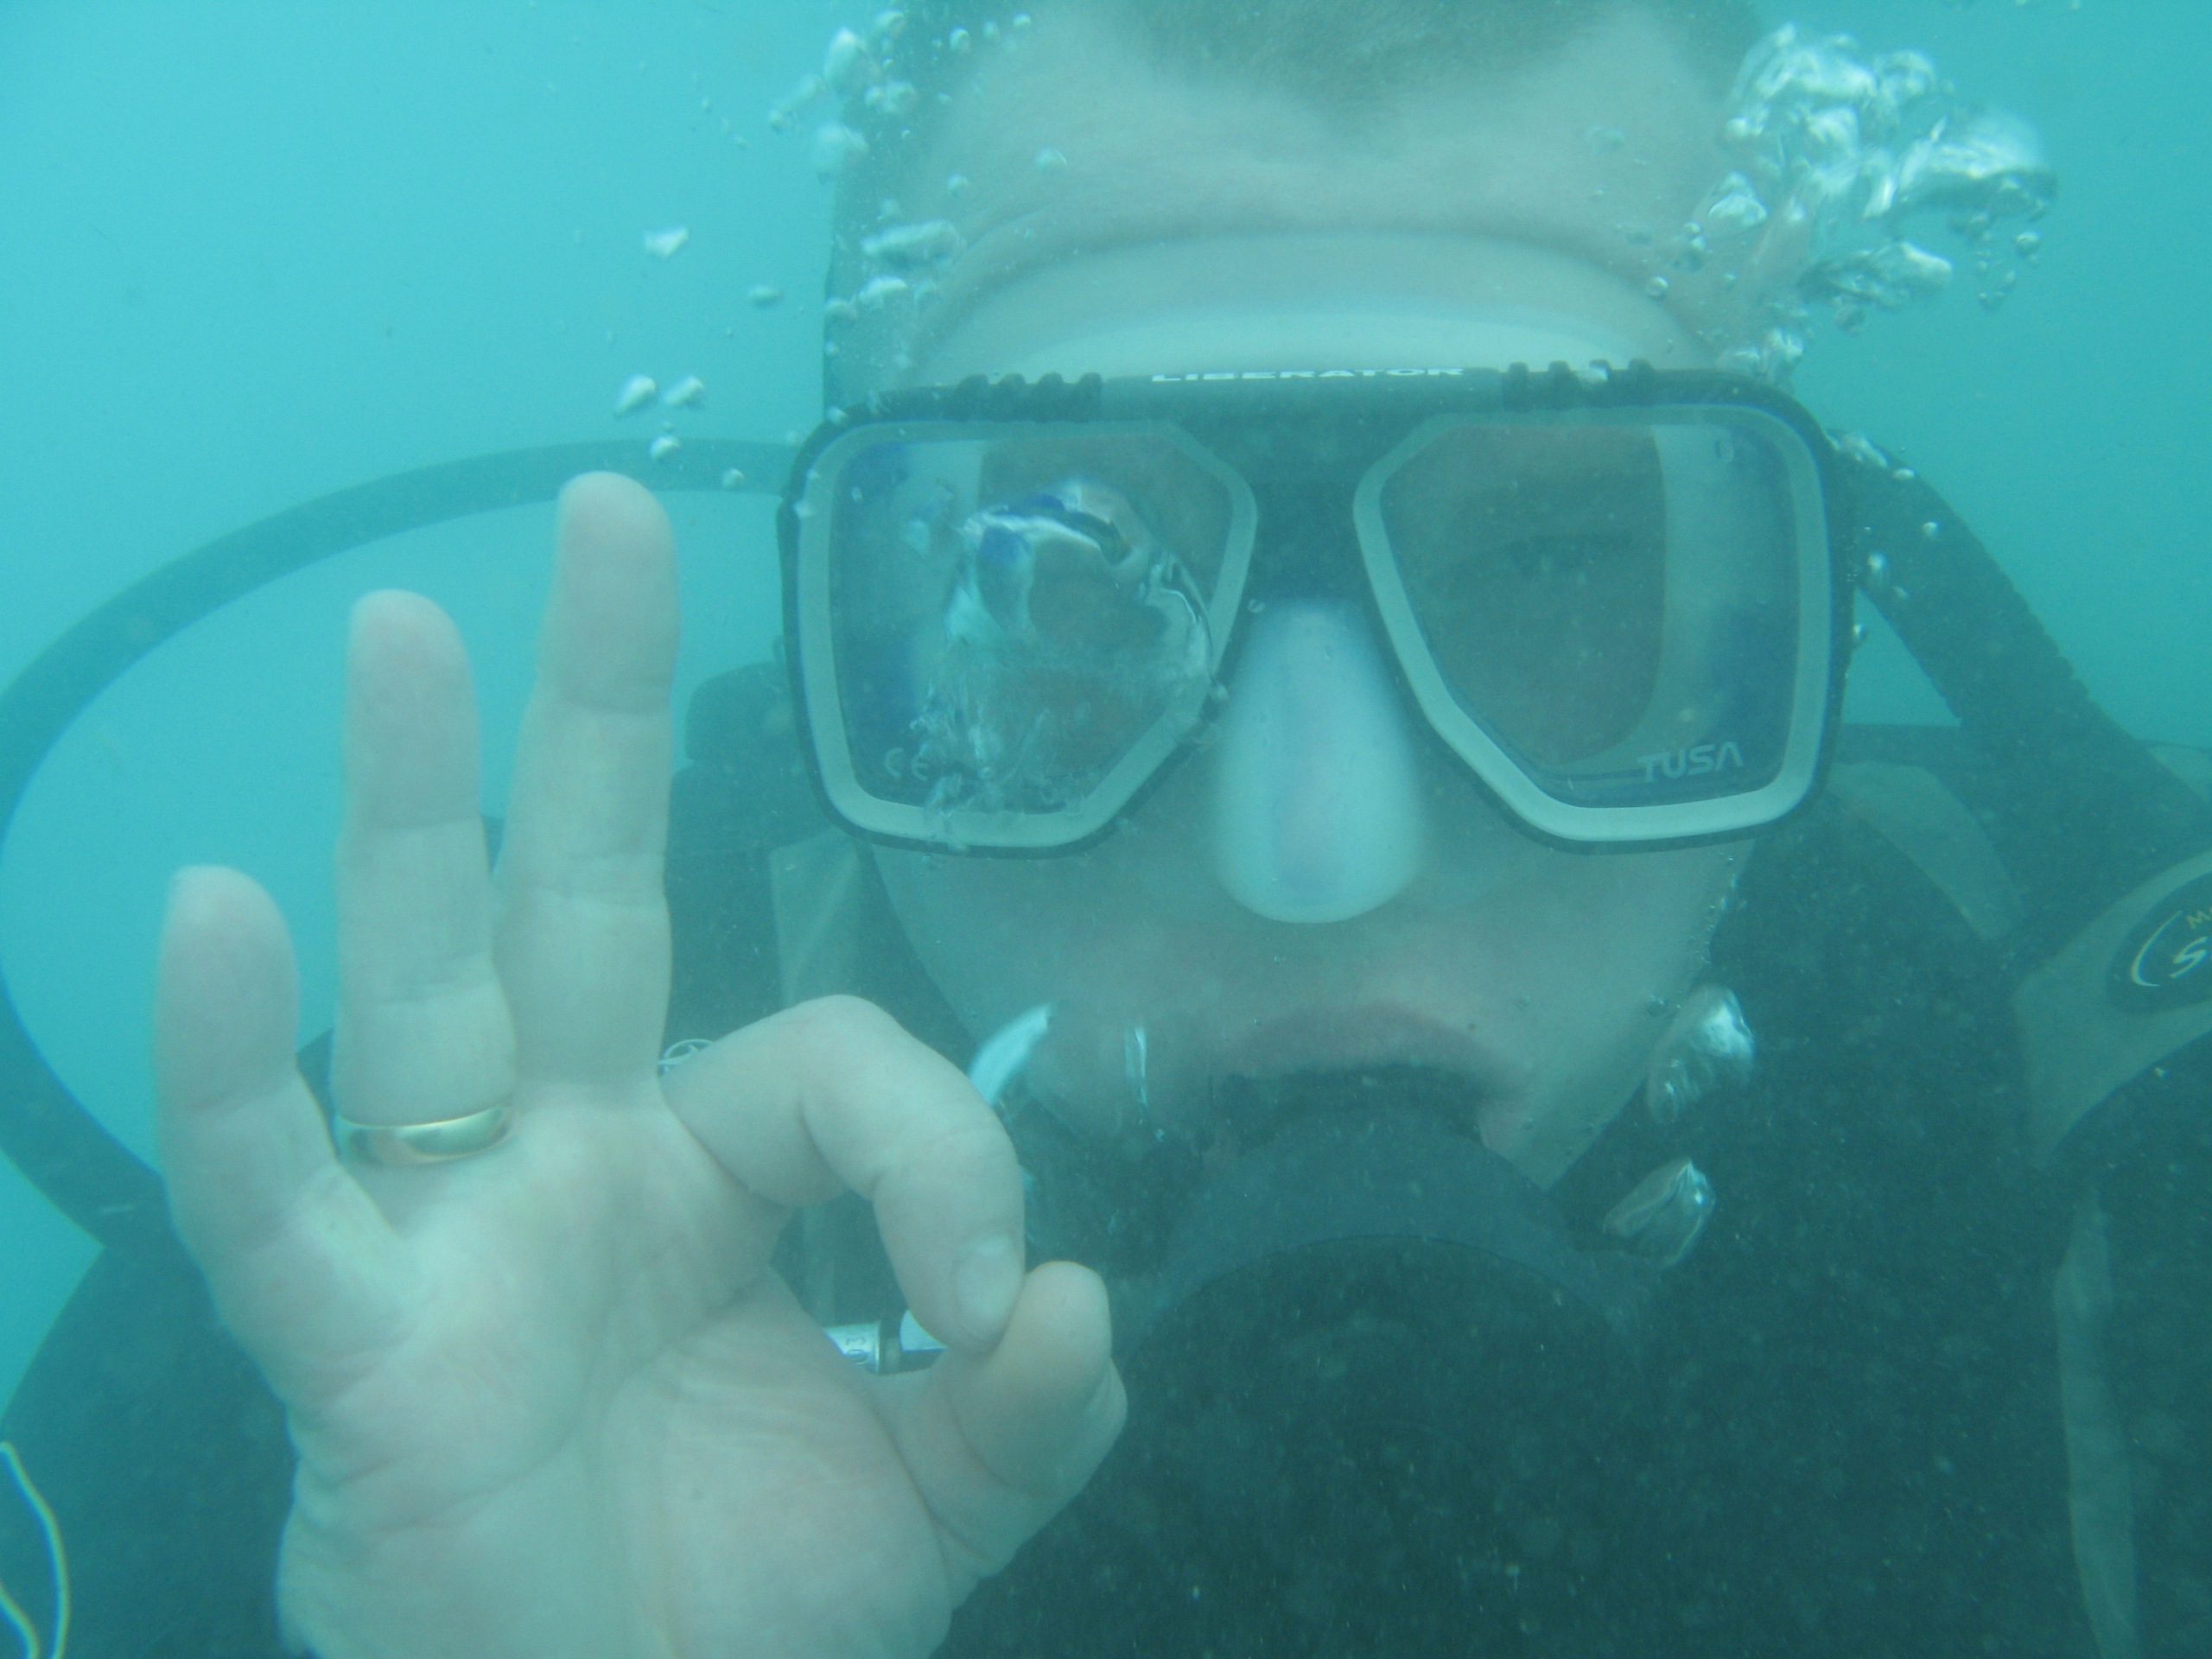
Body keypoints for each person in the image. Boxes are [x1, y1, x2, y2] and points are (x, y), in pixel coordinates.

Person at [3, 3, 2209, 1656]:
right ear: (870, 629)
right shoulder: (407, 1292)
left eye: (1550, 563)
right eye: (1070, 583)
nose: (1315, 856)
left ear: (1777, 617)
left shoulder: (2127, 1148)